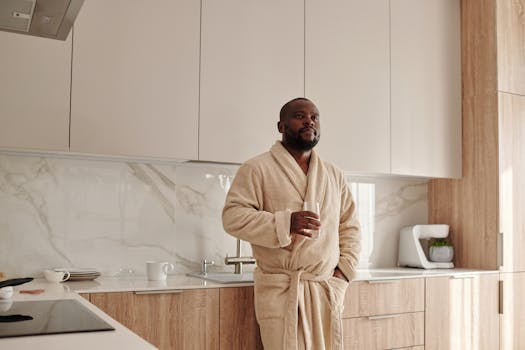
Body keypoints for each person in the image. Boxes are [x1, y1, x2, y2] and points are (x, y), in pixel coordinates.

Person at [222, 97, 361, 349]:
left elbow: (349, 225)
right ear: (281, 126)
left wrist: (343, 273)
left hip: (324, 287)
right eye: (299, 116)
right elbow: (233, 217)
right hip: (282, 290)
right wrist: (285, 223)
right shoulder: (256, 168)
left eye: (315, 117)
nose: (309, 120)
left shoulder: (333, 174)